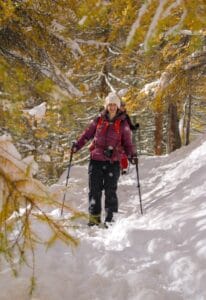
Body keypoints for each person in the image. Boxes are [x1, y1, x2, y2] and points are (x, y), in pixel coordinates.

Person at [72, 92, 137, 226]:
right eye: (110, 104)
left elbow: (127, 143)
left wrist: (132, 156)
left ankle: (110, 219)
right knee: (94, 190)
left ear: (118, 106)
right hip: (96, 159)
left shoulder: (123, 123)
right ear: (106, 106)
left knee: (110, 190)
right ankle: (94, 218)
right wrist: (76, 146)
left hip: (113, 161)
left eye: (114, 105)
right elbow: (86, 134)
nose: (112, 107)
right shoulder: (99, 120)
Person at [119, 101, 139, 174]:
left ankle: (124, 168)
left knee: (124, 152)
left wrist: (134, 128)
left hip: (126, 136)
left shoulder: (126, 116)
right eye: (121, 106)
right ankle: (119, 166)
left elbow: (130, 125)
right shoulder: (114, 116)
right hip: (117, 136)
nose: (123, 108)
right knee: (119, 151)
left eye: (124, 106)